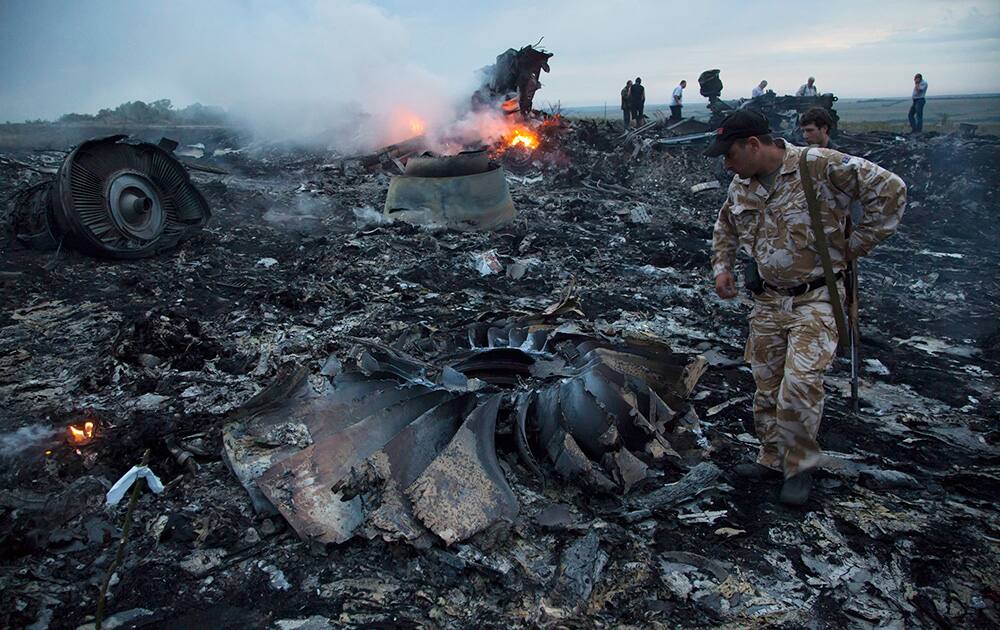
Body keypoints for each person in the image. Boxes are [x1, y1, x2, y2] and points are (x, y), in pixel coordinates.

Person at [707, 110, 906, 505]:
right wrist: (722, 267)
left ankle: (799, 467)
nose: (726, 164)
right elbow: (726, 225)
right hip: (767, 299)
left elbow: (891, 189)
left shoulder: (818, 165)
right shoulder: (741, 184)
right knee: (766, 384)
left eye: (730, 154)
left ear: (753, 145)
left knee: (799, 385)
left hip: (816, 297)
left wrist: (856, 244)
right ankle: (770, 457)